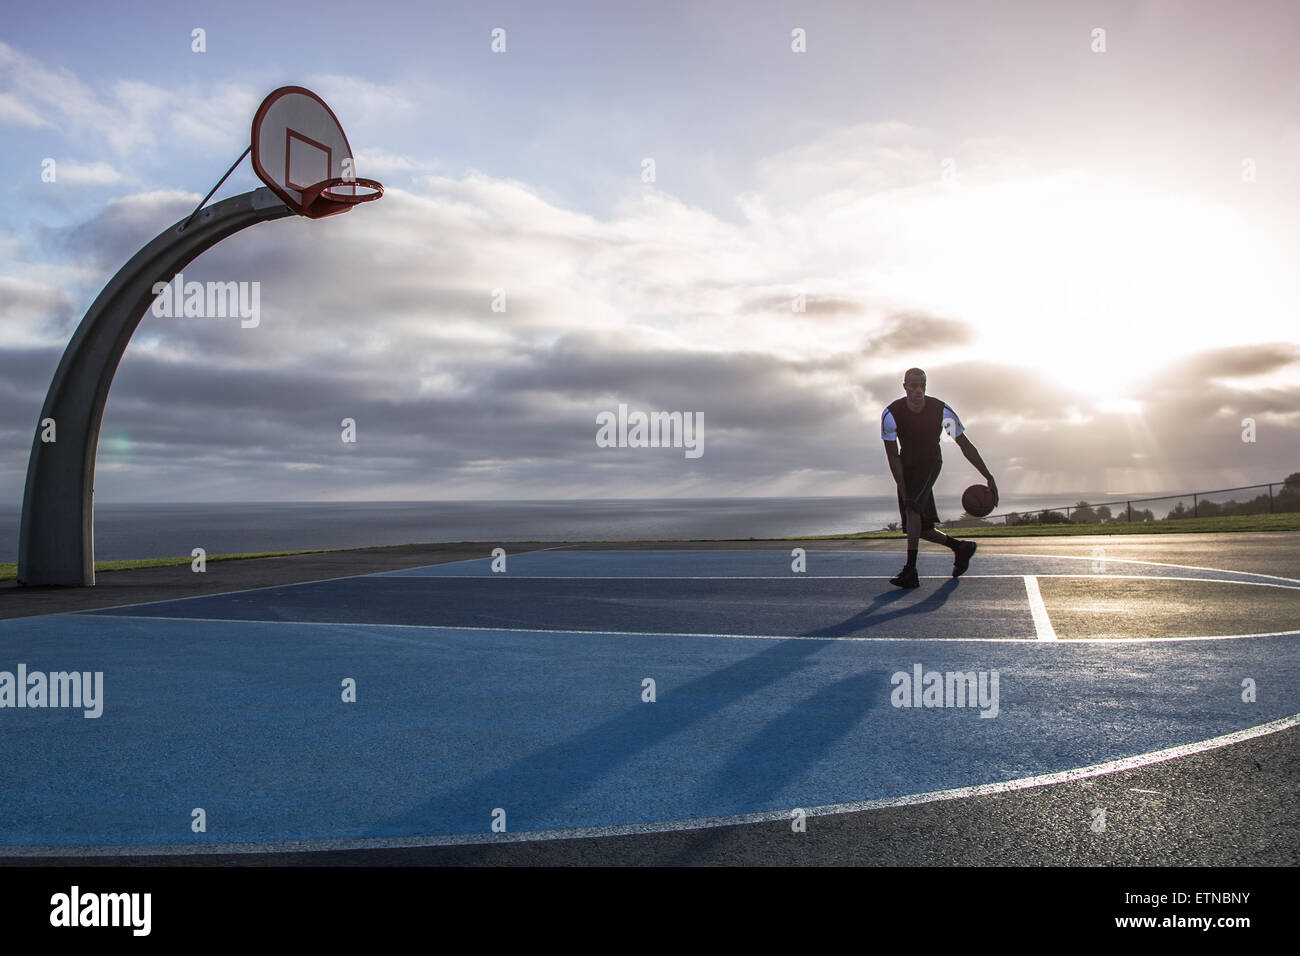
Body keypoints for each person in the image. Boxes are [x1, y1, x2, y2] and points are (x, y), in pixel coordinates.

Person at [881, 368, 996, 588]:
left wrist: (987, 475)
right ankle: (961, 547)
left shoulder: (941, 411)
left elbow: (964, 444)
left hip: (930, 463)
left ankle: (910, 571)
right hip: (907, 467)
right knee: (921, 527)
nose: (917, 390)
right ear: (904, 386)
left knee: (913, 507)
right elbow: (893, 456)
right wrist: (902, 486)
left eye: (922, 385)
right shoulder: (891, 414)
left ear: (926, 386)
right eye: (913, 385)